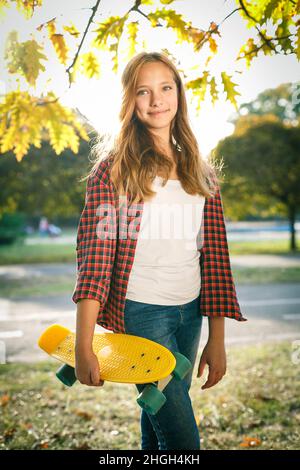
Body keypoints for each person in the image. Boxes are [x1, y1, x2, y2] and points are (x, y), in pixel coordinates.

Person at [72, 51, 248, 451]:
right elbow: (95, 264)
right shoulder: (117, 172)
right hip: (142, 313)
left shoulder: (199, 171)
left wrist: (217, 338)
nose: (157, 100)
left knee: (159, 416)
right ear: (129, 102)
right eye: (143, 91)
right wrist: (84, 346)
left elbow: (215, 258)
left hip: (190, 311)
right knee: (182, 437)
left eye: (166, 88)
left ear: (179, 94)